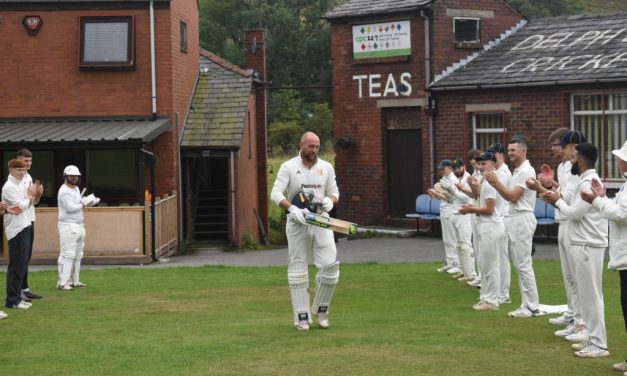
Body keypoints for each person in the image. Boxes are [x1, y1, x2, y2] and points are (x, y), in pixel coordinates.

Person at [542, 143, 609, 358]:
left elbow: (575, 213)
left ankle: (599, 344)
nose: (571, 159)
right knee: (587, 294)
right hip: (582, 243)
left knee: (591, 296)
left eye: (574, 156)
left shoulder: (589, 182)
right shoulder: (584, 180)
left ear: (580, 160)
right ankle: (592, 339)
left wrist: (557, 200)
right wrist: (555, 195)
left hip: (587, 244)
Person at [270, 132, 340, 331]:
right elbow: (275, 193)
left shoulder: (326, 167)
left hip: (321, 220)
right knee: (298, 269)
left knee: (331, 267)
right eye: (311, 146)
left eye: (317, 146)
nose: (314, 150)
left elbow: (334, 192)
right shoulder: (288, 167)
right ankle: (302, 317)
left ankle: (321, 310)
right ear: (301, 145)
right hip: (298, 221)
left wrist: (330, 201)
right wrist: (292, 208)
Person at [527, 129, 585, 337]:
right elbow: (564, 192)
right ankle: (572, 314)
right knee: (569, 276)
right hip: (563, 220)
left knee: (578, 278)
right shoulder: (563, 166)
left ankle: (580, 321)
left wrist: (541, 188)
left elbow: (567, 197)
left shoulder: (575, 167)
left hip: (572, 221)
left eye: (556, 144)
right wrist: (550, 184)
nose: (552, 148)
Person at [484, 137, 543, 317]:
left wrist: (495, 183)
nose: (509, 153)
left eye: (512, 150)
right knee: (520, 264)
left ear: (523, 151)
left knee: (523, 264)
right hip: (515, 218)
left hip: (522, 218)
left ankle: (532, 306)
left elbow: (513, 197)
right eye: (508, 150)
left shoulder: (526, 171)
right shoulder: (519, 171)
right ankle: (527, 304)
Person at [581, 140, 627, 369]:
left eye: (621, 158)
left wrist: (597, 200)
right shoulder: (625, 186)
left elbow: (621, 215)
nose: (619, 162)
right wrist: (604, 198)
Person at [459, 151, 506, 311]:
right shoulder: (485, 180)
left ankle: (492, 301)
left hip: (491, 225)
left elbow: (490, 209)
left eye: (484, 163)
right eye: (479, 164)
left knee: (491, 265)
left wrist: (471, 209)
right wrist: (474, 188)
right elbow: (480, 197)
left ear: (493, 164)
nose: (480, 167)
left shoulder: (492, 181)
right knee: (485, 265)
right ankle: (485, 297)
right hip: (484, 225)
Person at [3, 159, 37, 310]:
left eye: (24, 170)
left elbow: (27, 204)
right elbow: (19, 207)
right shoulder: (9, 187)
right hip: (16, 230)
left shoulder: (22, 184)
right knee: (16, 265)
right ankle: (12, 300)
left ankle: (16, 298)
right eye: (19, 170)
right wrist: (29, 197)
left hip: (25, 225)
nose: (22, 173)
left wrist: (34, 196)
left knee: (22, 264)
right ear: (11, 171)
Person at [57, 165, 97, 291]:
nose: (74, 178)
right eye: (71, 176)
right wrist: (83, 203)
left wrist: (88, 201)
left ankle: (75, 280)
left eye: (76, 176)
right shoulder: (63, 191)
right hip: (67, 224)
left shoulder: (75, 189)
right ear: (65, 177)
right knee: (68, 254)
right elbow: (70, 208)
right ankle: (63, 282)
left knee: (78, 254)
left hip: (79, 224)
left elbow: (78, 204)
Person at [487, 143, 513, 305]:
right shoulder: (497, 172)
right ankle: (499, 291)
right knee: (496, 257)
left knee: (502, 258)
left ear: (501, 155)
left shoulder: (503, 173)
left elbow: (497, 196)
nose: (491, 158)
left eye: (494, 154)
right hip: (497, 217)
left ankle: (504, 293)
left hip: (502, 217)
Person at [17, 149, 44, 302]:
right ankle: (17, 290)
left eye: (29, 161)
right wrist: (30, 197)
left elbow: (32, 202)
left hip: (30, 219)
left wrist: (38, 195)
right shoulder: (16, 180)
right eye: (24, 161)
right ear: (18, 160)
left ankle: (25, 288)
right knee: (20, 258)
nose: (27, 164)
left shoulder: (29, 177)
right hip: (20, 222)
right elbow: (21, 203)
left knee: (27, 256)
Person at [428, 160, 461, 274]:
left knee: (452, 239)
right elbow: (443, 198)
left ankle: (457, 264)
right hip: (443, 209)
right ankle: (450, 262)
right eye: (441, 169)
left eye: (443, 168)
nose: (441, 171)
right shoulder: (445, 179)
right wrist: (435, 194)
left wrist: (437, 193)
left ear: (450, 168)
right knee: (446, 239)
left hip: (450, 211)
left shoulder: (453, 180)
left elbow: (452, 198)